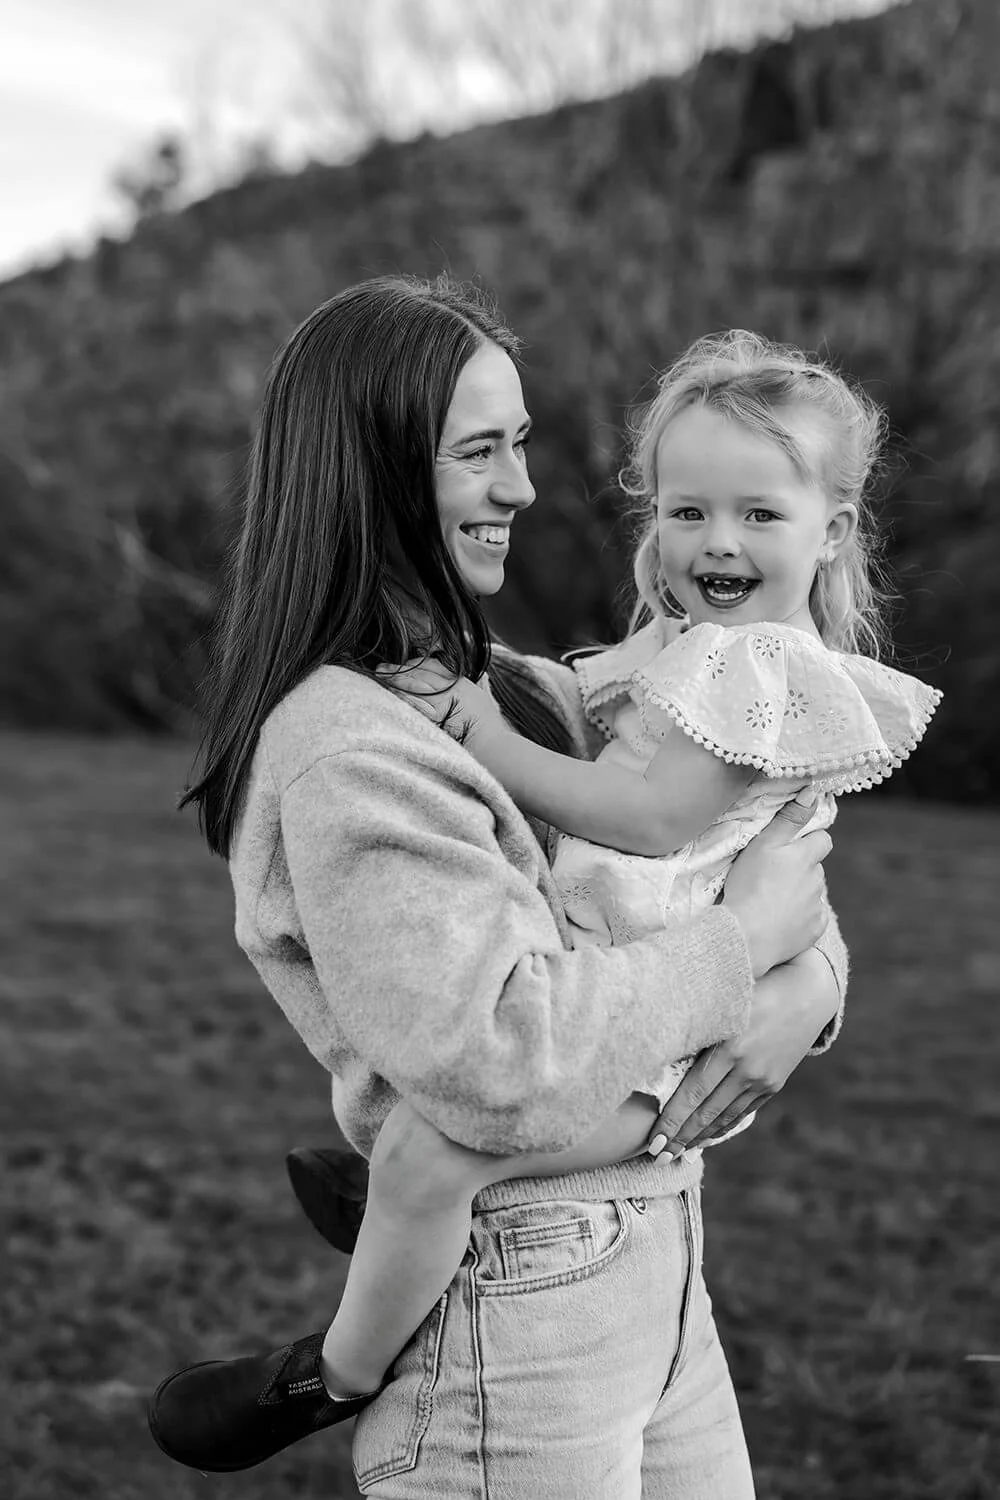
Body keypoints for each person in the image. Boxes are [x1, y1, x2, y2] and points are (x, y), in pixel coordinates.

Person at [148, 281, 850, 1498]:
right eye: (480, 452)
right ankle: (337, 1364)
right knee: (439, 1144)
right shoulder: (354, 751)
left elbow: (740, 853)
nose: (523, 487)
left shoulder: (513, 691)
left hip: (660, 1263)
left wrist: (811, 988)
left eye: (518, 443)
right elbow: (498, 1061)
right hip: (519, 1323)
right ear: (372, 480)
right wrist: (749, 961)